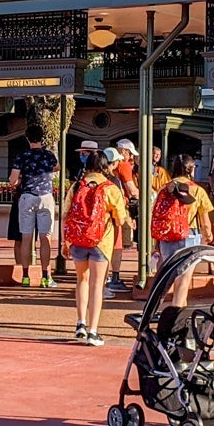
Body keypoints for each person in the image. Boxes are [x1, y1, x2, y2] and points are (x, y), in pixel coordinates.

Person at [63, 146, 130, 346]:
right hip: (101, 241)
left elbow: (66, 214)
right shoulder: (110, 188)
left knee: (81, 280)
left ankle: (80, 324)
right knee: (97, 285)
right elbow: (120, 219)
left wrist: (66, 241)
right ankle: (93, 331)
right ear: (105, 166)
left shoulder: (77, 186)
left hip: (78, 240)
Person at [8, 123, 61, 288]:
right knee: (45, 237)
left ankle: (25, 276)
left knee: (26, 237)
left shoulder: (22, 156)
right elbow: (57, 167)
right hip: (45, 196)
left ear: (27, 138)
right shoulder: (49, 155)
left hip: (27, 196)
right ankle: (46, 277)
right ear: (42, 138)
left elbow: (12, 180)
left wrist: (22, 179)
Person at [150, 154, 214, 283]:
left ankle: (163, 293)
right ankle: (179, 296)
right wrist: (208, 235)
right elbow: (205, 221)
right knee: (184, 276)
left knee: (167, 271)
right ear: (191, 169)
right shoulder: (198, 190)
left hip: (167, 233)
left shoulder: (165, 189)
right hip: (190, 233)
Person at [106, 139, 142, 297]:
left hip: (102, 213)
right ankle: (114, 277)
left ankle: (106, 276)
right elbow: (132, 190)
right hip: (117, 209)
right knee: (117, 244)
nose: (130, 158)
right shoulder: (124, 166)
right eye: (129, 154)